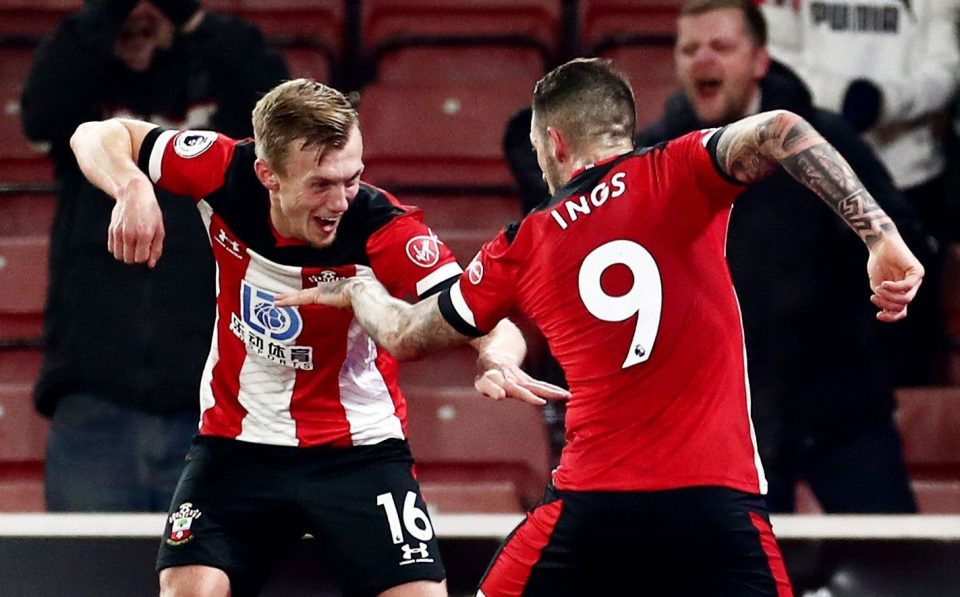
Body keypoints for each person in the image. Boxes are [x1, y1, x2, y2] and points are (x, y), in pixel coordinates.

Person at [279, 58, 924, 596]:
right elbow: (780, 128)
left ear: (554, 143)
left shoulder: (525, 240)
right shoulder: (678, 170)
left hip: (590, 510)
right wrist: (879, 233)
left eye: (537, 147)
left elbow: (408, 335)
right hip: (718, 505)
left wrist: (359, 289)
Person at [69, 78, 567, 596]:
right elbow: (96, 135)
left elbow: (480, 314)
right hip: (238, 443)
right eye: (322, 184)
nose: (342, 201)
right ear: (268, 174)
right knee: (189, 589)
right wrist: (131, 186)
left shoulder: (382, 229)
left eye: (352, 178)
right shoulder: (222, 172)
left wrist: (499, 356)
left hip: (359, 451)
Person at [634, 0, 921, 514]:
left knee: (894, 559)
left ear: (760, 60)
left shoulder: (826, 139)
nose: (704, 60)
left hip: (841, 401)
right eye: (689, 48)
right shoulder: (652, 158)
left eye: (721, 47)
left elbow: (902, 238)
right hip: (721, 418)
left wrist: (882, 265)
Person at [19, 0, 288, 511]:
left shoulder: (224, 58)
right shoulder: (84, 62)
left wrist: (187, 21)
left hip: (213, 403)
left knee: (209, 583)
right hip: (93, 401)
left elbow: (277, 113)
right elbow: (41, 112)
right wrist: (105, 19)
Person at [759, 0, 960, 383]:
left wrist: (885, 100)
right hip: (817, 182)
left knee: (905, 352)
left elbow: (947, 68)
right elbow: (775, 54)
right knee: (815, 347)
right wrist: (840, 99)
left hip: (910, 183)